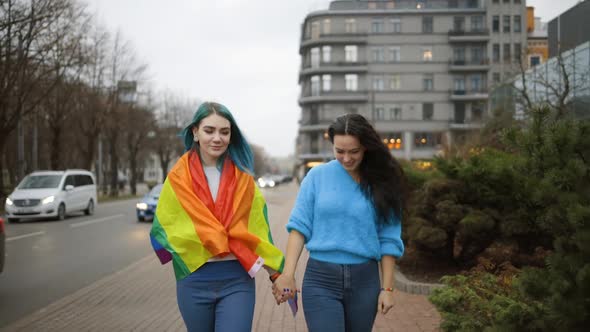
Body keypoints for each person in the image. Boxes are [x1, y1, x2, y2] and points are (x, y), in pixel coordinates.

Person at [150, 101, 285, 332]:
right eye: (209, 130)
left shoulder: (244, 179)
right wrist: (207, 237)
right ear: (195, 132)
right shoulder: (178, 178)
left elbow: (257, 233)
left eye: (224, 132)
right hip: (194, 278)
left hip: (236, 279)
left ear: (231, 136)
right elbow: (166, 225)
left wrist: (276, 275)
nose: (217, 138)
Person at [272, 113, 406, 332]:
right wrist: (288, 274)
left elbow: (389, 239)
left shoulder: (383, 182)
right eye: (339, 151)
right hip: (321, 279)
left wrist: (388, 288)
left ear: (366, 148)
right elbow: (299, 227)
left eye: (354, 151)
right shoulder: (317, 176)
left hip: (366, 282)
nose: (346, 158)